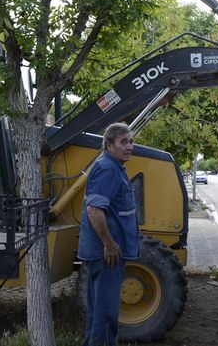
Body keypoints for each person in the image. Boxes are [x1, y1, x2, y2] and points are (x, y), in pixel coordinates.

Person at [78, 122, 140, 346]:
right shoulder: (107, 168)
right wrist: (110, 244)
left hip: (106, 255)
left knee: (98, 314)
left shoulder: (114, 167)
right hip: (107, 256)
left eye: (131, 142)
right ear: (109, 145)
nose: (130, 147)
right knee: (106, 316)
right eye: (124, 142)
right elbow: (94, 210)